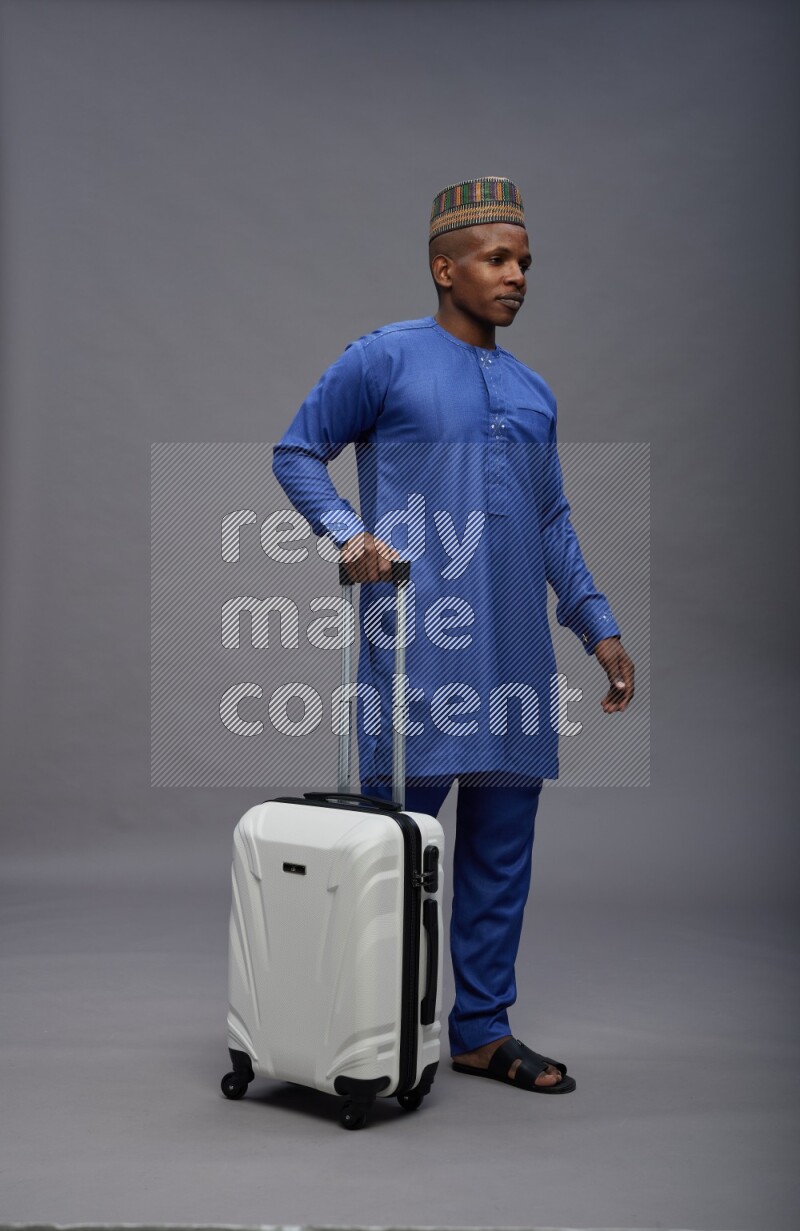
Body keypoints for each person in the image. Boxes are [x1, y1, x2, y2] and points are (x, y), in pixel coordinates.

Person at [273, 176, 635, 1094]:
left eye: (524, 262)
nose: (516, 276)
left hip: (515, 656)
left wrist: (596, 625)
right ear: (445, 268)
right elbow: (296, 451)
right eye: (496, 259)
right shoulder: (384, 359)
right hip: (418, 648)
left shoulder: (533, 391)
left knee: (500, 851)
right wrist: (348, 533)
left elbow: (551, 520)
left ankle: (480, 1029)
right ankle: (368, 1031)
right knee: (394, 852)